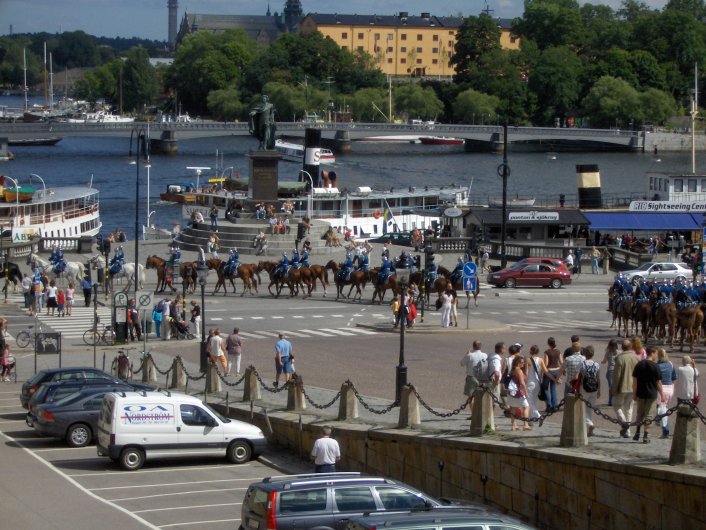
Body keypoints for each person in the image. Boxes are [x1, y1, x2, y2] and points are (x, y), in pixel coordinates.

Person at [631, 346, 664, 444]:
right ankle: (646, 435)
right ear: (652, 353)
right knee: (649, 414)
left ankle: (637, 432)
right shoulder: (655, 366)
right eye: (656, 353)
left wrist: (634, 393)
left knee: (640, 413)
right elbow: (658, 383)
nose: (656, 355)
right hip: (651, 393)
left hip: (640, 392)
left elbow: (635, 381)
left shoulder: (639, 364)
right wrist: (662, 394)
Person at [613, 338, 639, 438]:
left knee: (617, 406)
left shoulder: (620, 358)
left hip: (622, 387)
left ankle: (624, 424)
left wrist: (614, 388)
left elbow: (617, 376)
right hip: (633, 387)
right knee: (629, 408)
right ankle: (628, 431)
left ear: (622, 347)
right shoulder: (636, 358)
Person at [526, 345, 556, 421]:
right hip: (538, 382)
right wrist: (554, 379)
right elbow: (546, 371)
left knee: (529, 401)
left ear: (531, 351)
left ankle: (538, 416)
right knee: (534, 400)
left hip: (530, 382)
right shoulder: (541, 360)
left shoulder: (528, 360)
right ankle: (532, 419)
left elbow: (526, 373)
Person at [460, 340, 488, 412]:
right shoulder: (485, 355)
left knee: (471, 397)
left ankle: (474, 413)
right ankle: (480, 412)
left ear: (473, 346)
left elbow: (462, 363)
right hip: (482, 378)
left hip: (471, 377)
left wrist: (467, 354)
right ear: (480, 346)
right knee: (481, 396)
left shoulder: (470, 355)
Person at [656, 348, 676, 438]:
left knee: (661, 409)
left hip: (661, 389)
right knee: (664, 408)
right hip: (670, 388)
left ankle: (665, 429)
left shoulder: (657, 366)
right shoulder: (671, 364)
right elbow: (674, 377)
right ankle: (659, 421)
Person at [507, 356, 531, 431]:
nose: (523, 364)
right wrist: (526, 392)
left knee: (513, 408)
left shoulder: (513, 369)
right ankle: (525, 424)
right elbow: (522, 382)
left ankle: (513, 425)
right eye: (522, 362)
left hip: (512, 391)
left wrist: (526, 365)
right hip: (518, 391)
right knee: (526, 406)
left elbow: (525, 376)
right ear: (518, 363)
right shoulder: (519, 370)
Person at [581, 346, 601, 436]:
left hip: (584, 388)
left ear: (585, 354)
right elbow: (598, 378)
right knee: (590, 408)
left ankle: (589, 424)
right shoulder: (596, 364)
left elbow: (579, 376)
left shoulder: (583, 364)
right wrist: (599, 390)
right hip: (594, 388)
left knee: (582, 409)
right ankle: (589, 429)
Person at [543, 337, 563, 412]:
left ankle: (549, 405)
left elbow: (546, 363)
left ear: (548, 343)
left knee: (545, 388)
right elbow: (561, 362)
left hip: (549, 371)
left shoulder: (547, 352)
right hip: (556, 370)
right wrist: (563, 370)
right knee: (553, 388)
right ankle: (554, 406)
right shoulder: (558, 351)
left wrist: (543, 371)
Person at [602, 338, 618, 406]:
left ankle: (610, 401)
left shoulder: (608, 352)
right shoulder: (619, 352)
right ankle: (614, 400)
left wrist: (602, 362)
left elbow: (604, 361)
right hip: (617, 371)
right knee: (615, 386)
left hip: (610, 371)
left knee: (611, 386)